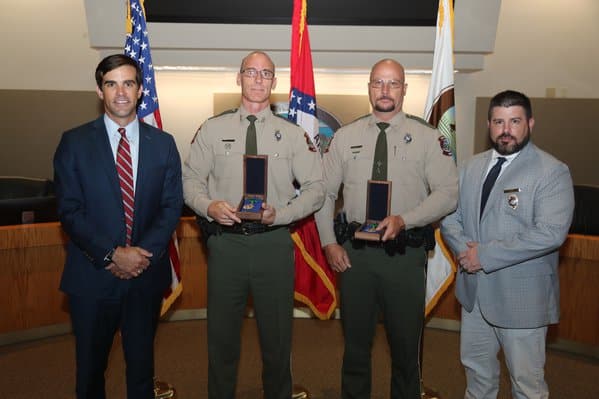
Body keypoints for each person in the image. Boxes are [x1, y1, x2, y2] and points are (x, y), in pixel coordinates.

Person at [182, 50, 325, 399]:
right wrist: (208, 206)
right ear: (239, 77)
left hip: (272, 245)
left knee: (277, 341)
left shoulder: (292, 135)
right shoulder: (212, 130)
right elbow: (189, 181)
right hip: (225, 244)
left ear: (274, 83)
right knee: (221, 339)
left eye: (266, 74)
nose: (258, 79)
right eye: (251, 72)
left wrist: (283, 213)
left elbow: (317, 190)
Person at [314, 59, 458, 398]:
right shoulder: (345, 136)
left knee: (406, 353)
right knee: (355, 351)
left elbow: (449, 193)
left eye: (393, 83)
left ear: (404, 89)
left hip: (404, 257)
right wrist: (329, 244)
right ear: (369, 88)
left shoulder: (428, 138)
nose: (385, 90)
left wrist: (405, 219)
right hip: (355, 260)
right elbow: (324, 194)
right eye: (378, 82)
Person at [53, 54, 183, 399]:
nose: (121, 92)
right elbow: (69, 210)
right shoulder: (74, 142)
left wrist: (140, 256)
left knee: (142, 372)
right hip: (92, 278)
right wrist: (112, 254)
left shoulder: (164, 143)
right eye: (112, 84)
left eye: (128, 83)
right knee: (91, 373)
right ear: (100, 91)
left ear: (140, 90)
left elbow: (171, 207)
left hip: (145, 275)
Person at [440, 90, 575, 399]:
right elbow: (450, 217)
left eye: (514, 121)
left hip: (521, 300)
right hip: (475, 297)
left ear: (530, 123)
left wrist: (484, 255)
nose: (506, 130)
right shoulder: (469, 167)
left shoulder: (551, 171)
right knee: (477, 380)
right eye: (499, 121)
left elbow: (550, 232)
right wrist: (465, 252)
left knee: (527, 387)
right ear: (488, 125)